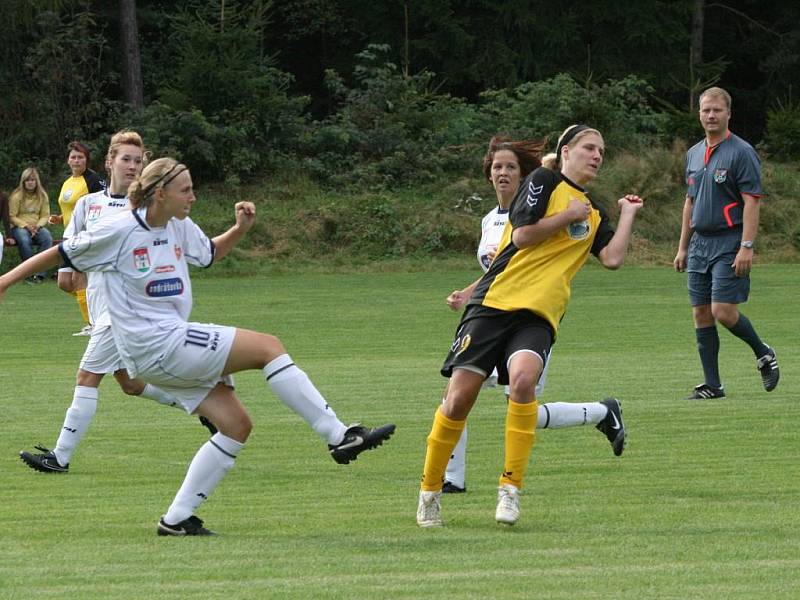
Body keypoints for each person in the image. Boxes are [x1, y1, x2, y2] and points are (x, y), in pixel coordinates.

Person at [1, 157, 395, 536]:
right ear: (159, 194)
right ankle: (339, 435)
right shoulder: (119, 230)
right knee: (268, 347)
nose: (193, 197)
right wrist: (4, 283)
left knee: (236, 425)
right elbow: (57, 254)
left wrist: (240, 228)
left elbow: (209, 254)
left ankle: (177, 518)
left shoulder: (179, 224)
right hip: (155, 345)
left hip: (169, 341)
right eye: (186, 190)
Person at [416, 124, 644, 528]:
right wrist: (565, 216)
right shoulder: (543, 181)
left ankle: (510, 490)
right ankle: (430, 491)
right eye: (590, 148)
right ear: (567, 150)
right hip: (493, 304)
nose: (597, 156)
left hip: (538, 315)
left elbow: (611, 258)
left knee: (522, 383)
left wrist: (626, 215)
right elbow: (521, 236)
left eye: (602, 152)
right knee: (458, 400)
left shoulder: (592, 210)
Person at [18, 130, 211, 475]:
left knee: (87, 376)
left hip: (123, 311)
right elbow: (70, 253)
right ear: (109, 162)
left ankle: (59, 457)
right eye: (126, 159)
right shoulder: (88, 206)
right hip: (99, 307)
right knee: (131, 384)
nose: (133, 166)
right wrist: (67, 271)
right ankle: (205, 406)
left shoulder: (147, 209)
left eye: (139, 161)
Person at [674, 87, 779, 400]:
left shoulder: (742, 152)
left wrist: (747, 245)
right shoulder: (693, 154)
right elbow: (689, 203)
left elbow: (752, 202)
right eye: (706, 110)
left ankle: (764, 353)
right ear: (699, 113)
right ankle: (713, 385)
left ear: (728, 114)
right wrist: (682, 247)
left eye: (717, 110)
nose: (711, 115)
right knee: (701, 314)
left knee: (723, 311)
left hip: (730, 241)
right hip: (699, 245)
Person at [51, 141, 106, 336]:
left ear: (86, 160)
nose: (76, 160)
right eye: (73, 157)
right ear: (68, 160)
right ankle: (100, 304)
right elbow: (70, 209)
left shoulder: (93, 180)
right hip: (69, 236)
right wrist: (59, 218)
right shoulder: (68, 182)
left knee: (78, 277)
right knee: (64, 282)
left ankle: (93, 324)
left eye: (80, 157)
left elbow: (103, 204)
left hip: (85, 236)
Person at [8, 167, 53, 283]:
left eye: (33, 180)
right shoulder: (16, 196)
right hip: (20, 227)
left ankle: (39, 274)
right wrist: (26, 226)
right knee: (24, 239)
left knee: (47, 238)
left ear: (36, 181)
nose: (30, 183)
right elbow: (11, 216)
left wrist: (38, 226)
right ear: (23, 182)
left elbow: (45, 215)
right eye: (27, 180)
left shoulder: (42, 196)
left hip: (36, 226)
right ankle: (28, 273)